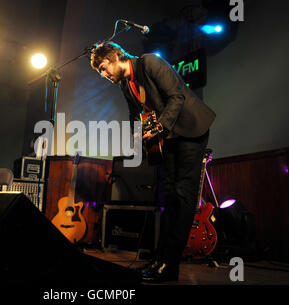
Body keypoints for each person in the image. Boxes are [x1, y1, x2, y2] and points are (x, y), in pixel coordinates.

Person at [90, 42, 216, 282]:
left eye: (104, 68)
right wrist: (139, 142)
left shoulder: (149, 62)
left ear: (115, 56)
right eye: (100, 73)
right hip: (167, 135)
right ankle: (161, 259)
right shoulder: (126, 86)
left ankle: (171, 265)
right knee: (167, 194)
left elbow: (177, 96)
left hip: (191, 128)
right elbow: (133, 118)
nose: (104, 75)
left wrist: (158, 127)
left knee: (182, 194)